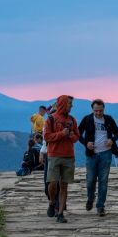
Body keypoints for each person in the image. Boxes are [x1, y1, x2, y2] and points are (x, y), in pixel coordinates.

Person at [78, 99, 118, 216]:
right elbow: (78, 133)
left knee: (103, 180)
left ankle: (100, 206)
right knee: (90, 180)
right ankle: (90, 198)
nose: (98, 113)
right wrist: (86, 143)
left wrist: (112, 140)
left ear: (104, 109)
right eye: (96, 111)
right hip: (91, 154)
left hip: (106, 153)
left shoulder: (108, 119)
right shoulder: (87, 119)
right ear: (92, 109)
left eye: (100, 111)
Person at [44, 95, 79, 223]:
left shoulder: (72, 120)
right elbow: (47, 137)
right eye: (70, 103)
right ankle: (52, 202)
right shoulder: (51, 119)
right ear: (63, 103)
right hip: (54, 155)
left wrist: (71, 136)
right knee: (52, 183)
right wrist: (61, 134)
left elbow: (77, 137)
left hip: (69, 156)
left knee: (64, 185)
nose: (71, 106)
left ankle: (60, 214)